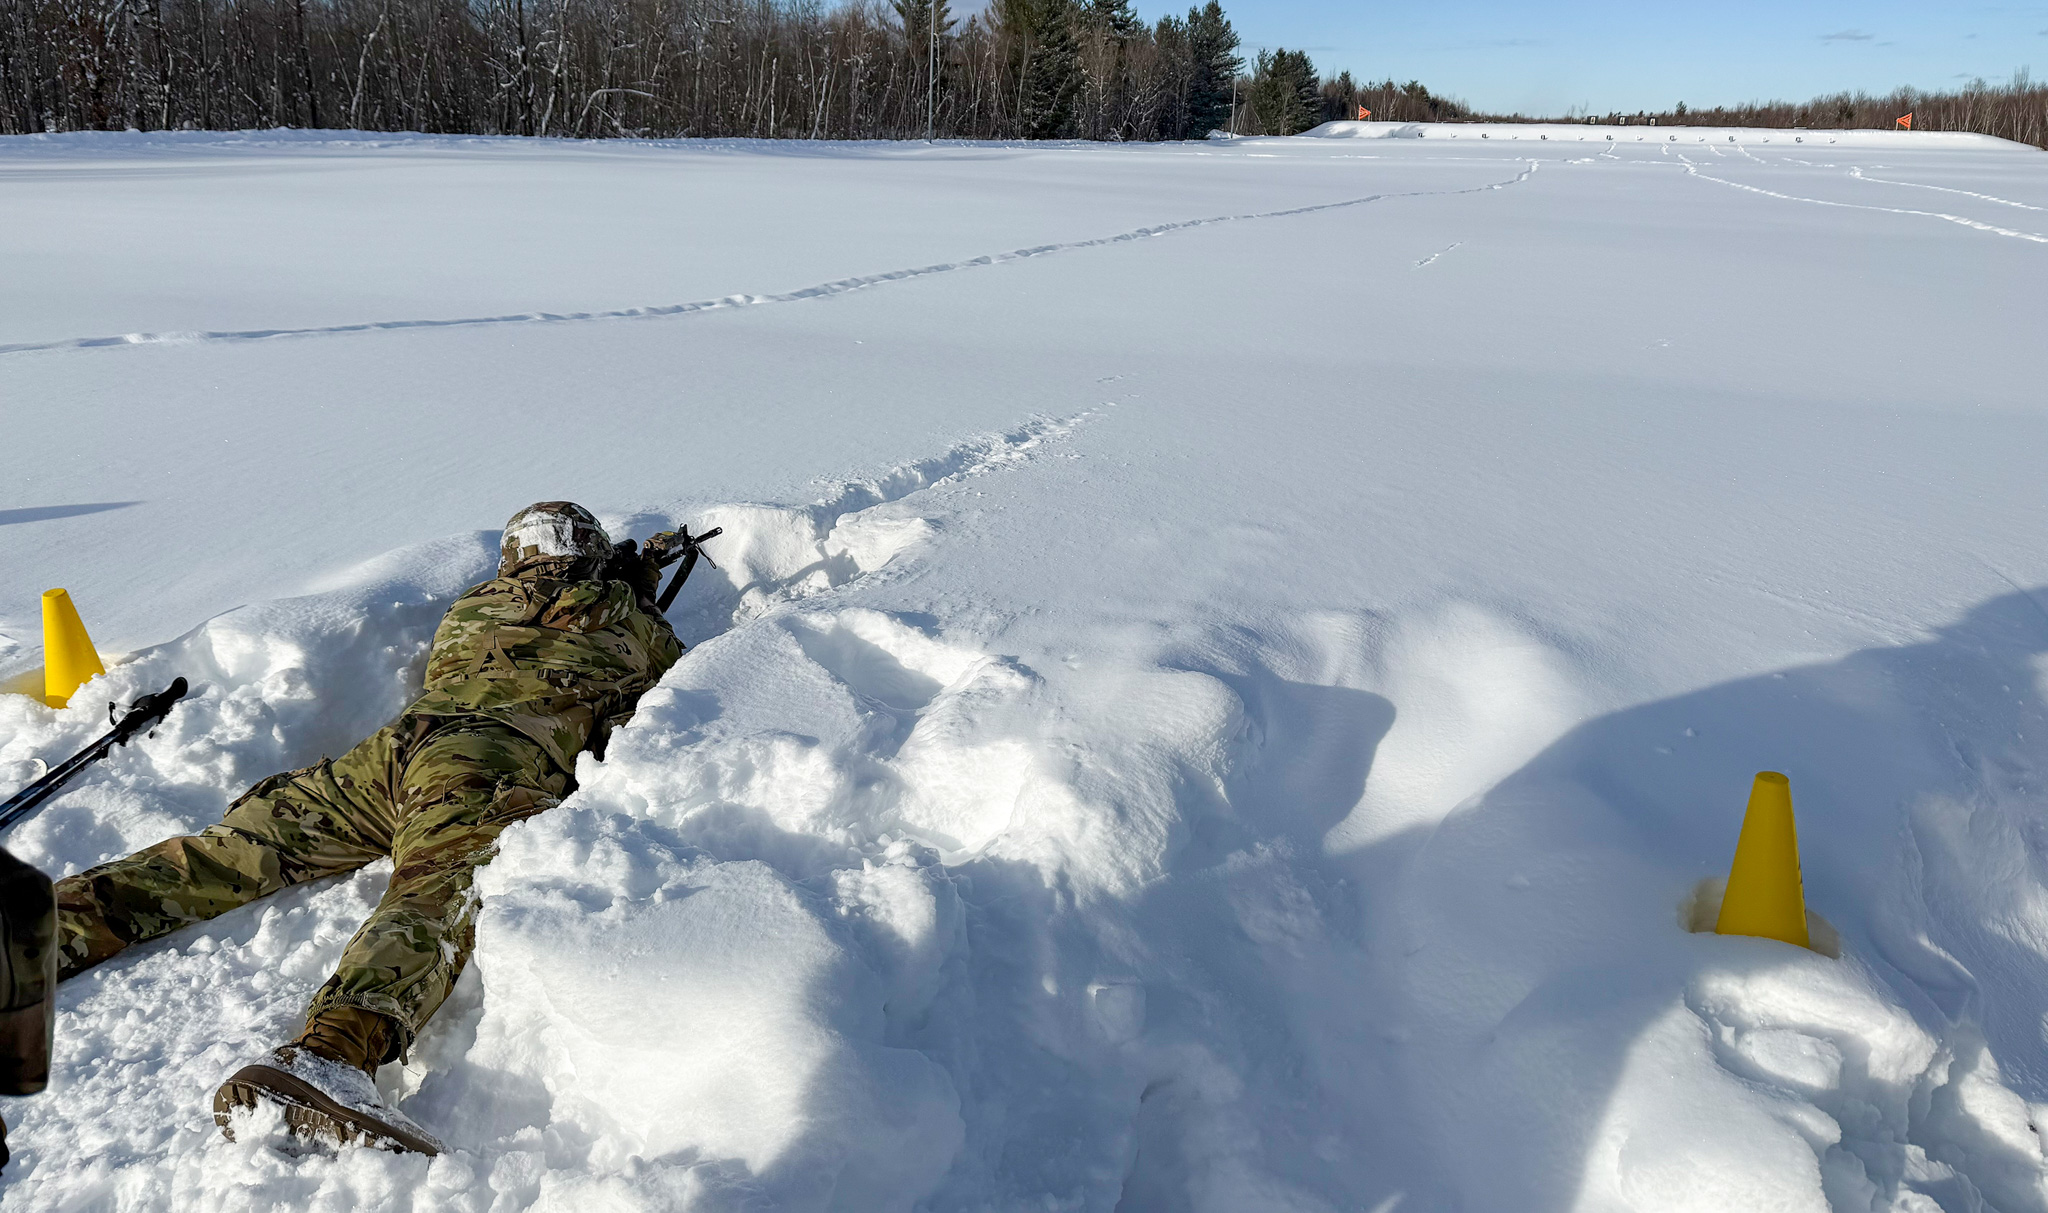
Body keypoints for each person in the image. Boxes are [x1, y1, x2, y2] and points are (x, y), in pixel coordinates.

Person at [52, 503, 698, 1154]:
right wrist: (637, 586)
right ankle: (329, 1056)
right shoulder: (630, 621)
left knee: (235, 851)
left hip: (392, 755)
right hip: (486, 762)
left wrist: (623, 578)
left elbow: (551, 614)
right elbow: (662, 682)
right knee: (434, 892)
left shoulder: (472, 607)